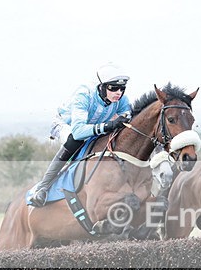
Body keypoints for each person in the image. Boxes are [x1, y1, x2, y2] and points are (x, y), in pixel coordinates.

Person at [28, 64, 133, 207]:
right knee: (74, 140)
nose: (118, 92)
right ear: (101, 87)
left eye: (122, 88)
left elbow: (127, 118)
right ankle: (43, 188)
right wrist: (108, 125)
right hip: (66, 126)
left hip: (92, 128)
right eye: (113, 88)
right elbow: (78, 131)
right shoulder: (84, 94)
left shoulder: (122, 100)